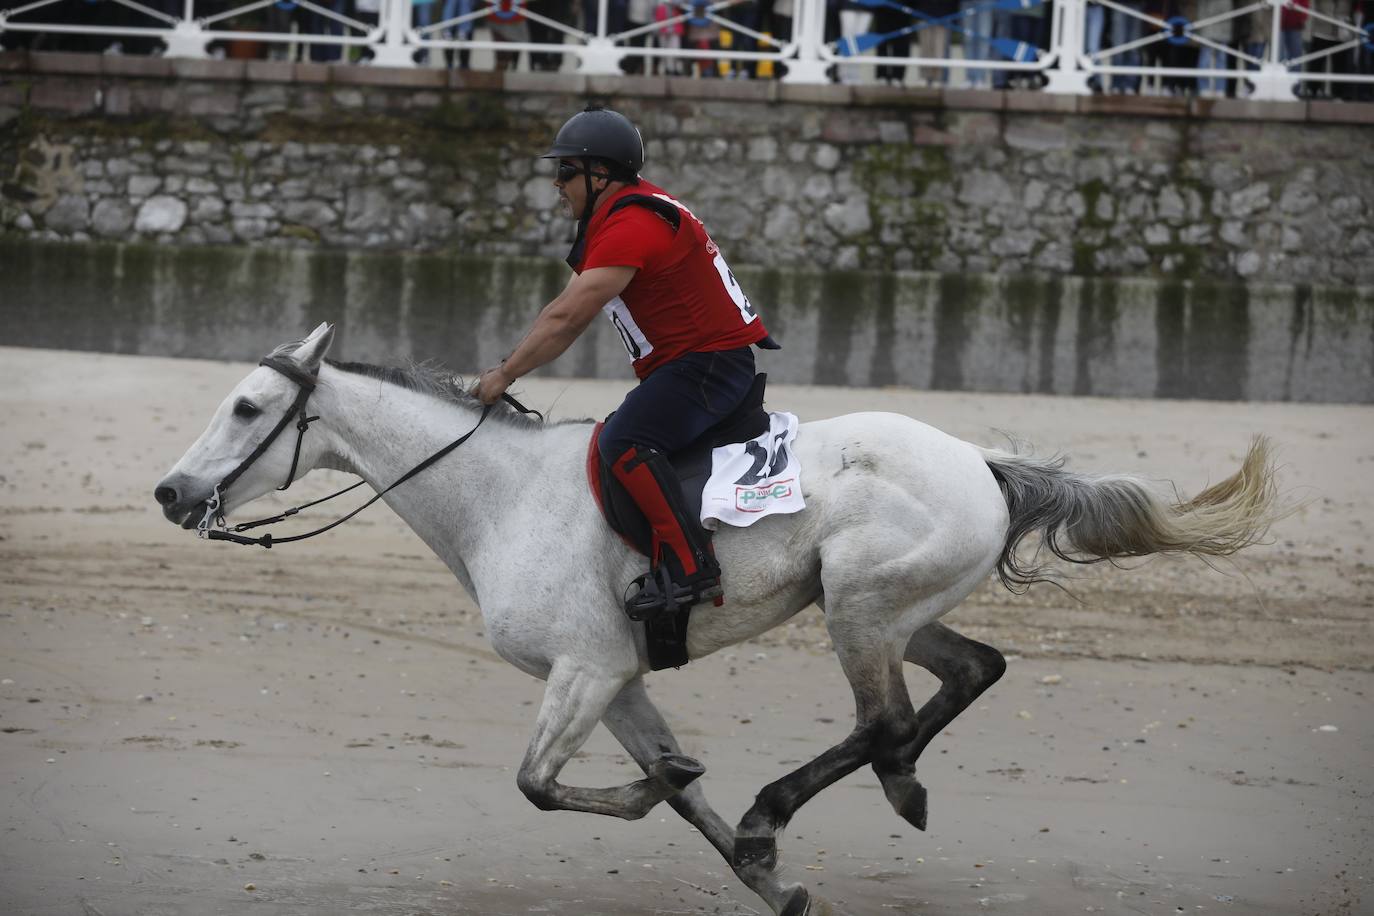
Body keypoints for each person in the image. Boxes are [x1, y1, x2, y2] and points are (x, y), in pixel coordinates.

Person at [472, 107, 776, 618]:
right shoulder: (630, 212)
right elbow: (562, 309)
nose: (557, 183)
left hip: (705, 367)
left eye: (567, 171)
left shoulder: (633, 223)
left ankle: (692, 569)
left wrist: (503, 376)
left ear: (601, 174)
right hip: (702, 364)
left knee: (625, 442)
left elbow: (567, 319)